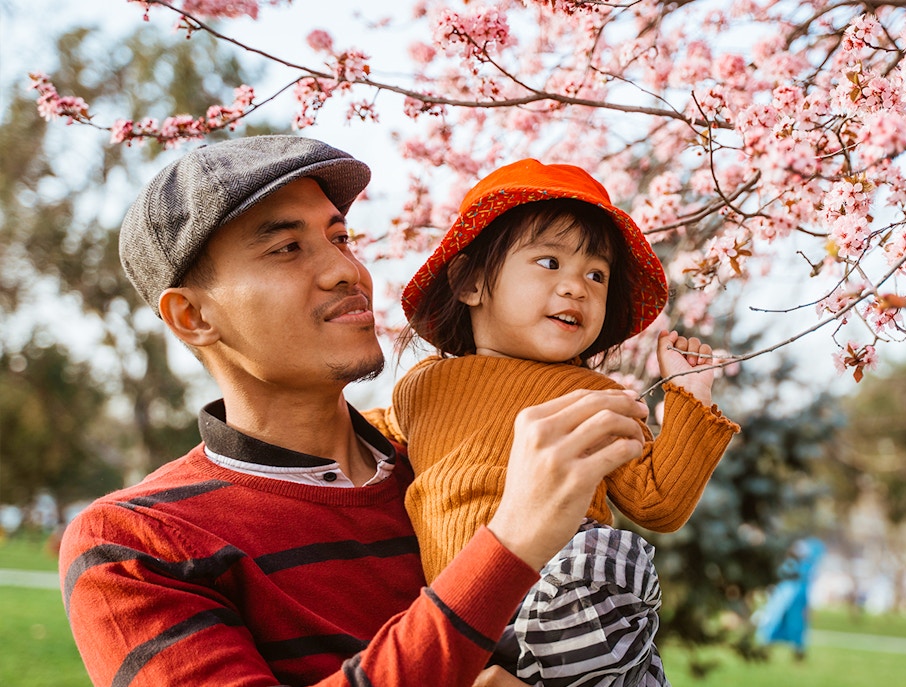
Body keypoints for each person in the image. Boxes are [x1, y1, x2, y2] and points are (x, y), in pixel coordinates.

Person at [58, 135, 652, 687]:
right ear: (193, 316)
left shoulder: (450, 463)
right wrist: (513, 542)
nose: (349, 270)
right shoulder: (137, 544)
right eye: (287, 248)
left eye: (340, 239)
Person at [377, 159, 740, 686]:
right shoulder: (421, 389)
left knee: (603, 559)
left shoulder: (591, 396)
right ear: (471, 282)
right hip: (465, 616)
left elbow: (657, 502)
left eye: (596, 275)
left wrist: (688, 396)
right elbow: (361, 442)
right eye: (549, 262)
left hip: (569, 604)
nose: (577, 288)